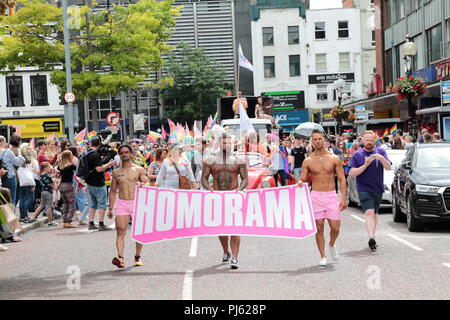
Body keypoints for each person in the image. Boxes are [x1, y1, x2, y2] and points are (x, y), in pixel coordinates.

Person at [297, 130, 347, 267]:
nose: (317, 141)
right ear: (311, 141)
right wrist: (301, 182)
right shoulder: (308, 161)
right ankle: (323, 255)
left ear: (324, 140)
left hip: (331, 195)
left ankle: (331, 244)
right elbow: (303, 178)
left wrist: (344, 198)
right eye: (315, 139)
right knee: (319, 227)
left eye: (320, 139)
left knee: (335, 227)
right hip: (316, 196)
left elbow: (342, 179)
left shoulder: (334, 158)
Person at [201, 133, 248, 269]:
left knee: (235, 228)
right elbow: (204, 178)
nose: (226, 145)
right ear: (218, 144)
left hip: (233, 196)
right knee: (220, 228)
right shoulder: (210, 160)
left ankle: (235, 257)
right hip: (217, 197)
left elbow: (245, 178)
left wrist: (240, 189)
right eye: (223, 143)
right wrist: (208, 188)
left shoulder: (239, 160)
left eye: (228, 143)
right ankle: (226, 251)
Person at [349, 131, 391, 252]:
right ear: (362, 141)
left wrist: (382, 158)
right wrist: (366, 165)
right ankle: (371, 237)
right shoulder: (358, 155)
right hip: (363, 188)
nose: (369, 142)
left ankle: (372, 235)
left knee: (375, 213)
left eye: (371, 140)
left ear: (375, 141)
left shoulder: (381, 151)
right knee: (369, 212)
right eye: (367, 140)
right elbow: (352, 173)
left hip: (377, 188)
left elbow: (388, 167)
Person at [108, 144, 149, 268]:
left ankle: (137, 257)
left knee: (139, 232)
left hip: (137, 203)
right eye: (122, 153)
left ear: (131, 154)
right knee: (120, 231)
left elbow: (146, 181)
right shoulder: (116, 172)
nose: (124, 154)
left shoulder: (138, 169)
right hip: (122, 204)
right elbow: (113, 190)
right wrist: (110, 208)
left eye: (126, 152)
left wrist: (144, 185)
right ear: (119, 155)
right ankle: (120, 258)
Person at [85, 137, 115, 231]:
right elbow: (99, 169)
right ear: (98, 145)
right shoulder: (95, 154)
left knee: (93, 203)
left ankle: (91, 223)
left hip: (89, 182)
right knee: (102, 203)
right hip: (98, 182)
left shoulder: (87, 153)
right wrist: (108, 164)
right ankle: (101, 224)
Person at [28, 162, 57, 226]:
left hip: (43, 191)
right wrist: (55, 187)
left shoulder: (41, 175)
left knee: (41, 205)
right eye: (49, 167)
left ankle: (33, 217)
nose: (50, 168)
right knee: (49, 207)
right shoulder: (48, 176)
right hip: (48, 192)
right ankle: (50, 222)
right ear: (45, 168)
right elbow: (52, 185)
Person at [0, 135, 25, 206]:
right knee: (11, 200)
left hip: (0, 179)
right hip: (9, 177)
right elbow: (18, 162)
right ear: (2, 142)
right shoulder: (8, 152)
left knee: (1, 201)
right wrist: (20, 154)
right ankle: (11, 215)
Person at [56, 150, 78, 228]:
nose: (72, 156)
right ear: (68, 156)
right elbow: (77, 168)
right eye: (71, 154)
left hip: (62, 186)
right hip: (68, 185)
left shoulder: (60, 166)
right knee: (72, 203)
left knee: (65, 203)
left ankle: (65, 221)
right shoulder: (70, 166)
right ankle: (68, 221)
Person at [17, 143, 36, 223]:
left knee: (22, 198)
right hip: (28, 181)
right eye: (28, 148)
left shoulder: (18, 156)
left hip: (21, 180)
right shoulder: (27, 158)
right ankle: (24, 213)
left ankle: (23, 216)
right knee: (30, 199)